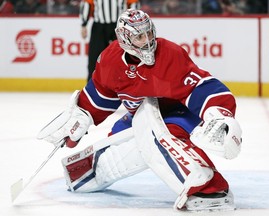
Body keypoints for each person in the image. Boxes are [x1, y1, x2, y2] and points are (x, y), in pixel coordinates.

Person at [37, 9, 242, 212]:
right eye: (139, 36)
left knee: (159, 135)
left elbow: (200, 87)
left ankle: (210, 189)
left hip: (178, 115)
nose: (148, 40)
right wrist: (80, 117)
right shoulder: (110, 60)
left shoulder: (170, 54)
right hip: (138, 116)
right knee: (121, 145)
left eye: (149, 33)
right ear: (125, 39)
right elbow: (99, 98)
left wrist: (218, 113)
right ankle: (87, 173)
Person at [80, 0, 140, 82]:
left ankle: (128, 82)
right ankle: (92, 85)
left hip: (120, 25)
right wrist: (84, 24)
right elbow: (88, 3)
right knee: (95, 57)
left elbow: (133, 3)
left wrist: (134, 23)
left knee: (125, 55)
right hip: (99, 26)